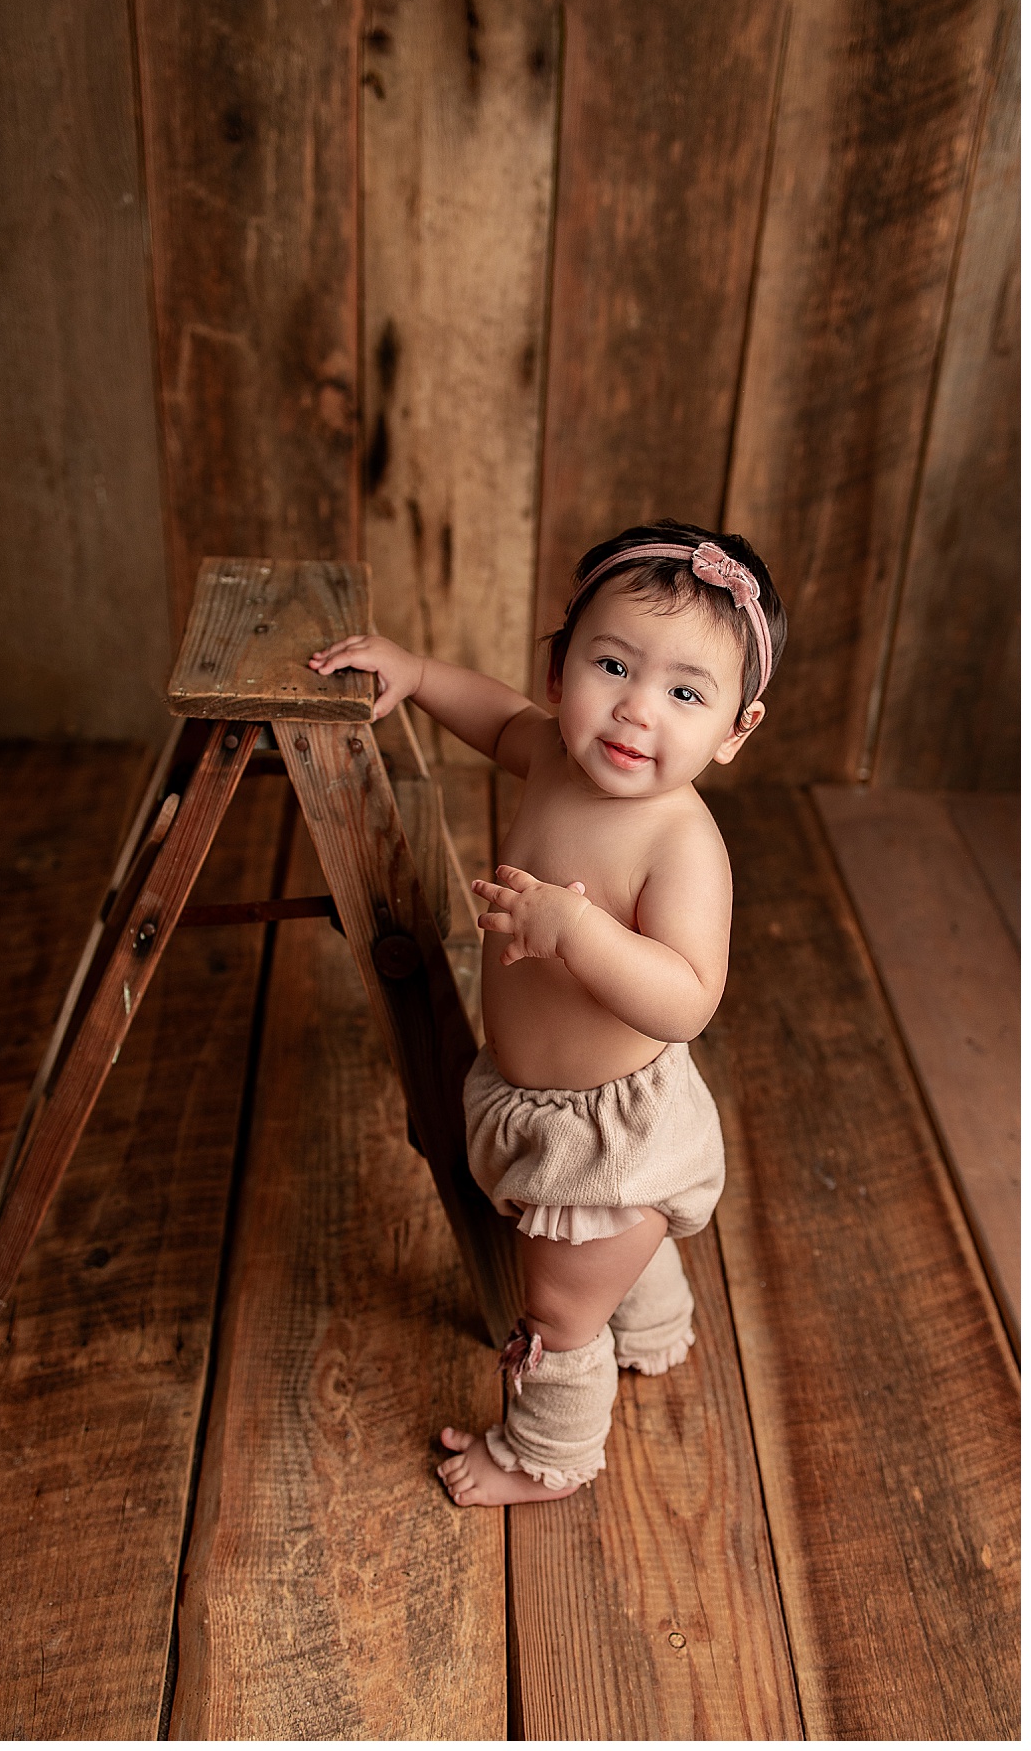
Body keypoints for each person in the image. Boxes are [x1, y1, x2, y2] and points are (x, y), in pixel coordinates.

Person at [308, 520, 788, 1506]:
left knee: (560, 1305)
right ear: (563, 664)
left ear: (735, 730)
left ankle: (545, 1452)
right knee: (608, 1258)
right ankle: (651, 1323)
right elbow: (491, 716)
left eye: (686, 693)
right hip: (541, 1100)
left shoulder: (680, 841)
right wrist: (419, 668)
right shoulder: (554, 753)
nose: (635, 710)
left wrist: (578, 931)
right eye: (612, 664)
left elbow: (688, 994)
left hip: (614, 1130)